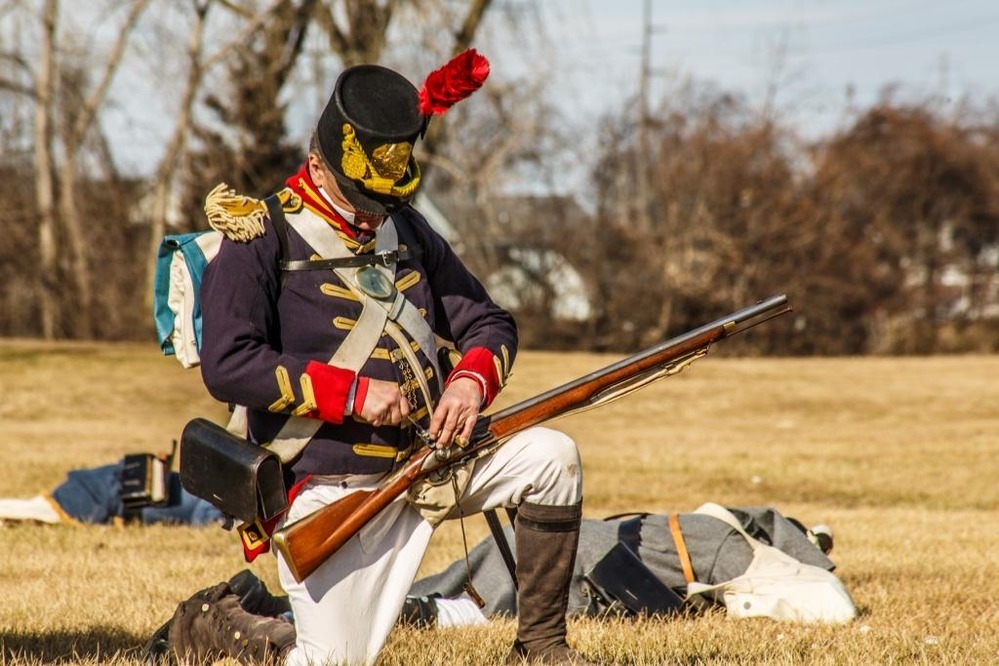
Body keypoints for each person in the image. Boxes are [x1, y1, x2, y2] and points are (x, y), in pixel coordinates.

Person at [194, 49, 592, 666]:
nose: (373, 211)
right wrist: (353, 395)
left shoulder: (405, 228)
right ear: (319, 161)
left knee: (552, 457)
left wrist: (468, 385)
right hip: (329, 488)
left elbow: (488, 322)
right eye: (362, 194)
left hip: (429, 463)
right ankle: (218, 625)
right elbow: (229, 362)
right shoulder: (259, 233)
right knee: (331, 661)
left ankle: (540, 649)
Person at [0, 456, 223, 527]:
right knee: (37, 511)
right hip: (100, 493)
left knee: (36, 510)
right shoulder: (214, 499)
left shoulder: (208, 489)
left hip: (106, 488)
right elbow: (212, 518)